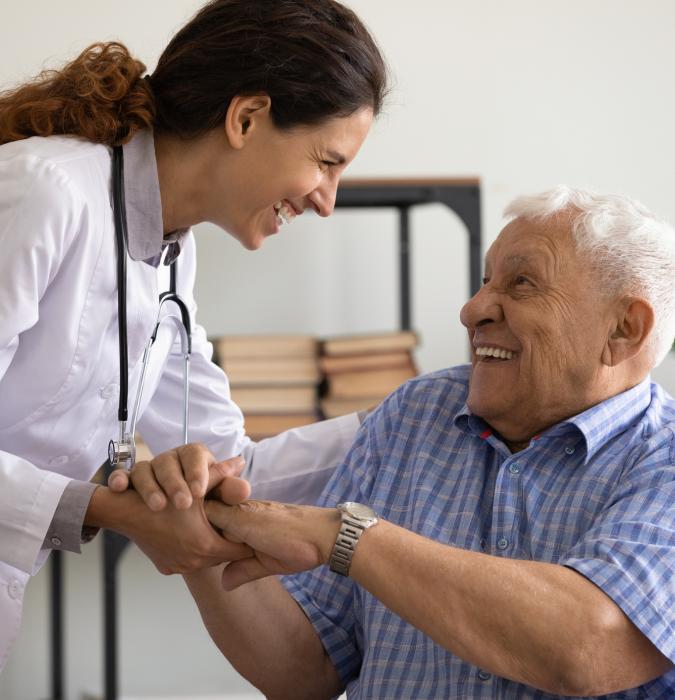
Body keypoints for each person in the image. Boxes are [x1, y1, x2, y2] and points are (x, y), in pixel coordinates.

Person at [0, 0, 388, 671]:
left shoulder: (171, 253)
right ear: (245, 118)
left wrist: (409, 416)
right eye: (327, 161)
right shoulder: (46, 192)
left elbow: (231, 461)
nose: (327, 198)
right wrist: (113, 509)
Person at [188, 186, 675, 699]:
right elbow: (305, 670)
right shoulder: (416, 413)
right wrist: (194, 533)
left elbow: (586, 646)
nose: (473, 310)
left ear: (625, 328)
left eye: (522, 283)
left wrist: (350, 537)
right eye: (486, 282)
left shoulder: (663, 458)